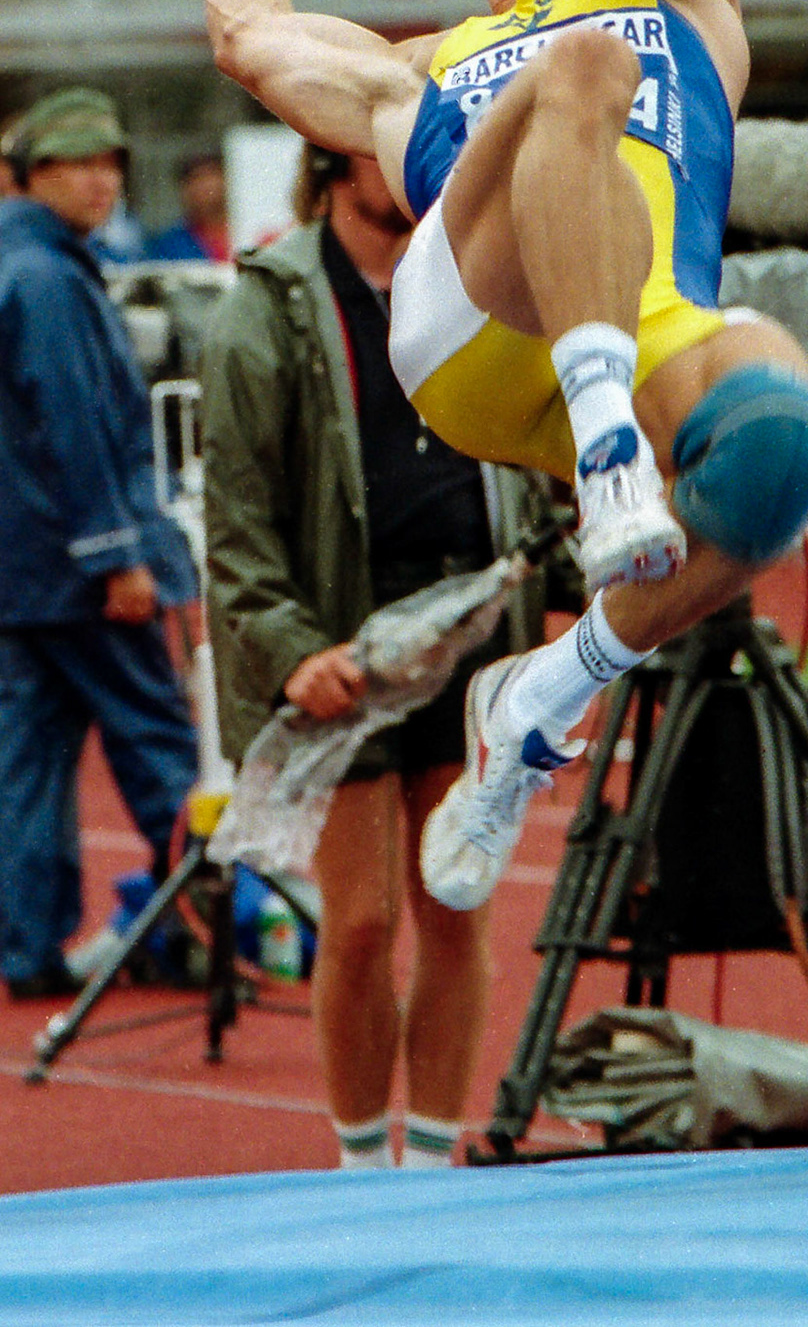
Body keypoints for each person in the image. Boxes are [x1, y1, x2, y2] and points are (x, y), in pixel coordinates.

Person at [201, 0, 808, 914]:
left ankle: (550, 686)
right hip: (477, 327)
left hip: (647, 326)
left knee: (780, 445)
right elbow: (247, 31)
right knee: (579, 67)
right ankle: (609, 456)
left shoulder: (688, 4)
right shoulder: (413, 74)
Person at [202, 141, 535, 1169]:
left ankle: (429, 1162)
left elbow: (546, 441)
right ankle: (358, 1163)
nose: (414, 161)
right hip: (343, 631)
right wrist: (293, 647)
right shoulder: (270, 305)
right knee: (357, 924)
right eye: (385, 149)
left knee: (456, 909)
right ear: (332, 169)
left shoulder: (483, 273)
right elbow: (237, 517)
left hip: (477, 628)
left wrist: (567, 609)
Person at [0, 89, 199, 1000]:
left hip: (24, 572)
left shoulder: (25, 263)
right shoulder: (48, 277)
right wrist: (118, 554)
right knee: (158, 745)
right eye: (76, 163)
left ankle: (30, 949)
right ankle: (196, 926)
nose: (101, 178)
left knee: (30, 767)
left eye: (111, 161)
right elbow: (75, 427)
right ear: (28, 177)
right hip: (84, 569)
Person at [149, 151, 231, 263]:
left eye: (212, 175)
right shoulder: (170, 244)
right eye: (197, 178)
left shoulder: (252, 234)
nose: (207, 186)